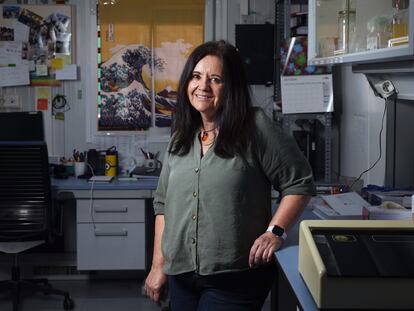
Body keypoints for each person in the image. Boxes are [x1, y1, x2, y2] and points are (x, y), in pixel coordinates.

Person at [144, 40, 315, 311]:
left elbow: (299, 183)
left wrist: (275, 232)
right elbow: (163, 205)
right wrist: (157, 266)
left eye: (215, 79)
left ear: (231, 87)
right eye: (196, 76)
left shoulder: (255, 126)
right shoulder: (181, 136)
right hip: (181, 276)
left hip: (235, 278)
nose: (203, 86)